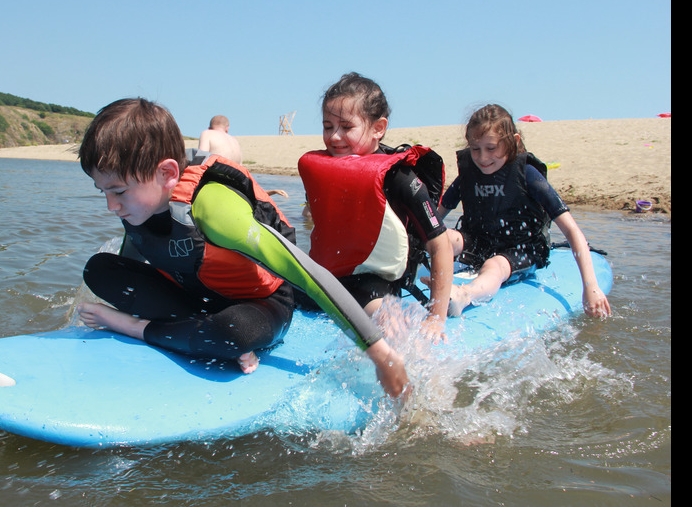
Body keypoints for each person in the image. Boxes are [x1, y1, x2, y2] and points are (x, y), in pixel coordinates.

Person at [76, 98, 409, 398]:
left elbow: (305, 273)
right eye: (102, 191)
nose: (111, 206)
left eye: (118, 191)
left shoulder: (213, 207)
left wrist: (379, 352)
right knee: (99, 269)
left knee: (230, 332)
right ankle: (192, 331)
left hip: (259, 306)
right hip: (195, 301)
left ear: (166, 173)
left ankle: (140, 330)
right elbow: (135, 261)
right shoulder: (138, 205)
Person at [297, 73, 455, 344]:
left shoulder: (400, 178)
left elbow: (440, 245)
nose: (334, 137)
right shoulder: (323, 168)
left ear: (378, 128)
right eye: (327, 126)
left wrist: (435, 318)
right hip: (330, 275)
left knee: (377, 315)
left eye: (346, 127)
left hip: (377, 283)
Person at [435, 103, 611, 318]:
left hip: (521, 249)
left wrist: (590, 286)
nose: (482, 157)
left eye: (491, 148)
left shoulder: (527, 174)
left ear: (514, 142)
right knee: (442, 237)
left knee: (494, 264)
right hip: (480, 242)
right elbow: (434, 219)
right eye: (475, 149)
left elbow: (572, 230)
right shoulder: (469, 175)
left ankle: (464, 295)